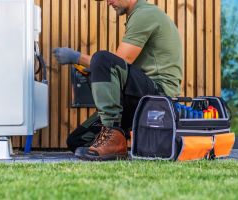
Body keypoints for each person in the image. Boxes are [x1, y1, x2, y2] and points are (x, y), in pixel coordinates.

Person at [53, 0, 183, 161]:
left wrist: (77, 57)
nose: (109, 2)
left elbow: (119, 60)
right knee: (78, 141)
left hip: (158, 97)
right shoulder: (138, 15)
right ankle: (114, 140)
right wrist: (95, 73)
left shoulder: (144, 14)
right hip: (138, 96)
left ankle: (113, 133)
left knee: (103, 59)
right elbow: (121, 69)